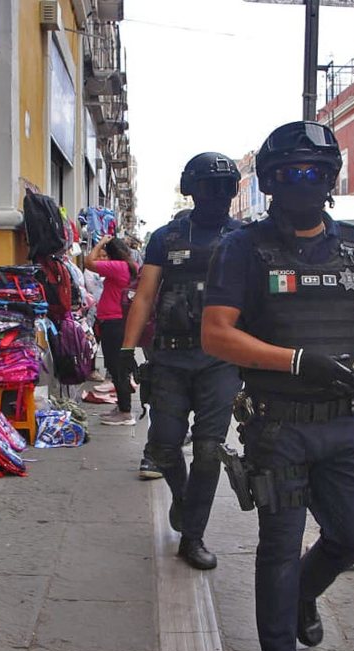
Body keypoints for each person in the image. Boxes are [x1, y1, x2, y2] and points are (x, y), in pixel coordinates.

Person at [200, 121, 354, 651]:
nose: (304, 183)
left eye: (315, 173)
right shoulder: (243, 248)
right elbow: (216, 335)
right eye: (292, 174)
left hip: (345, 424)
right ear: (270, 182)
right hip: (277, 426)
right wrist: (298, 362)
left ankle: (303, 598)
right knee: (279, 546)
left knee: (351, 535)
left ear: (330, 180)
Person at [119, 153, 244, 569]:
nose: (218, 196)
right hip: (170, 357)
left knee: (209, 449)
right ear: (191, 189)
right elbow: (146, 295)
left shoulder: (244, 237)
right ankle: (183, 497)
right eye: (210, 187)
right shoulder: (167, 238)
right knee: (163, 445)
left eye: (226, 188)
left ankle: (193, 535)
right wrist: (126, 350)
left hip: (221, 360)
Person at [84, 234, 138, 425]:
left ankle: (125, 413)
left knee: (117, 369)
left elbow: (89, 262)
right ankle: (123, 408)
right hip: (119, 322)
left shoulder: (118, 267)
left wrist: (99, 243)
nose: (102, 256)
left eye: (106, 253)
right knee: (118, 368)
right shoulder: (127, 266)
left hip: (114, 323)